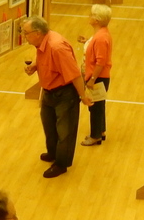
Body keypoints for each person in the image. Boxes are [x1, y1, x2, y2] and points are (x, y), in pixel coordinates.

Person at [21, 16, 92, 178]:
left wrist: (83, 96)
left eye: (26, 33)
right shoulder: (42, 42)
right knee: (49, 126)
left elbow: (74, 75)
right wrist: (35, 66)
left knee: (65, 132)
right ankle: (53, 153)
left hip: (64, 93)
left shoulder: (57, 47)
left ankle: (61, 164)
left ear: (38, 33)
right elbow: (44, 58)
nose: (24, 36)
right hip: (49, 91)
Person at [80, 4, 113, 147]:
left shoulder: (100, 38)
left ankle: (95, 136)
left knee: (95, 107)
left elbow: (100, 61)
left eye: (92, 15)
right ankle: (101, 131)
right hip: (98, 76)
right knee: (99, 105)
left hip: (97, 77)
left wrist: (92, 79)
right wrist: (87, 41)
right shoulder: (101, 34)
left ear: (97, 20)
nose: (89, 17)